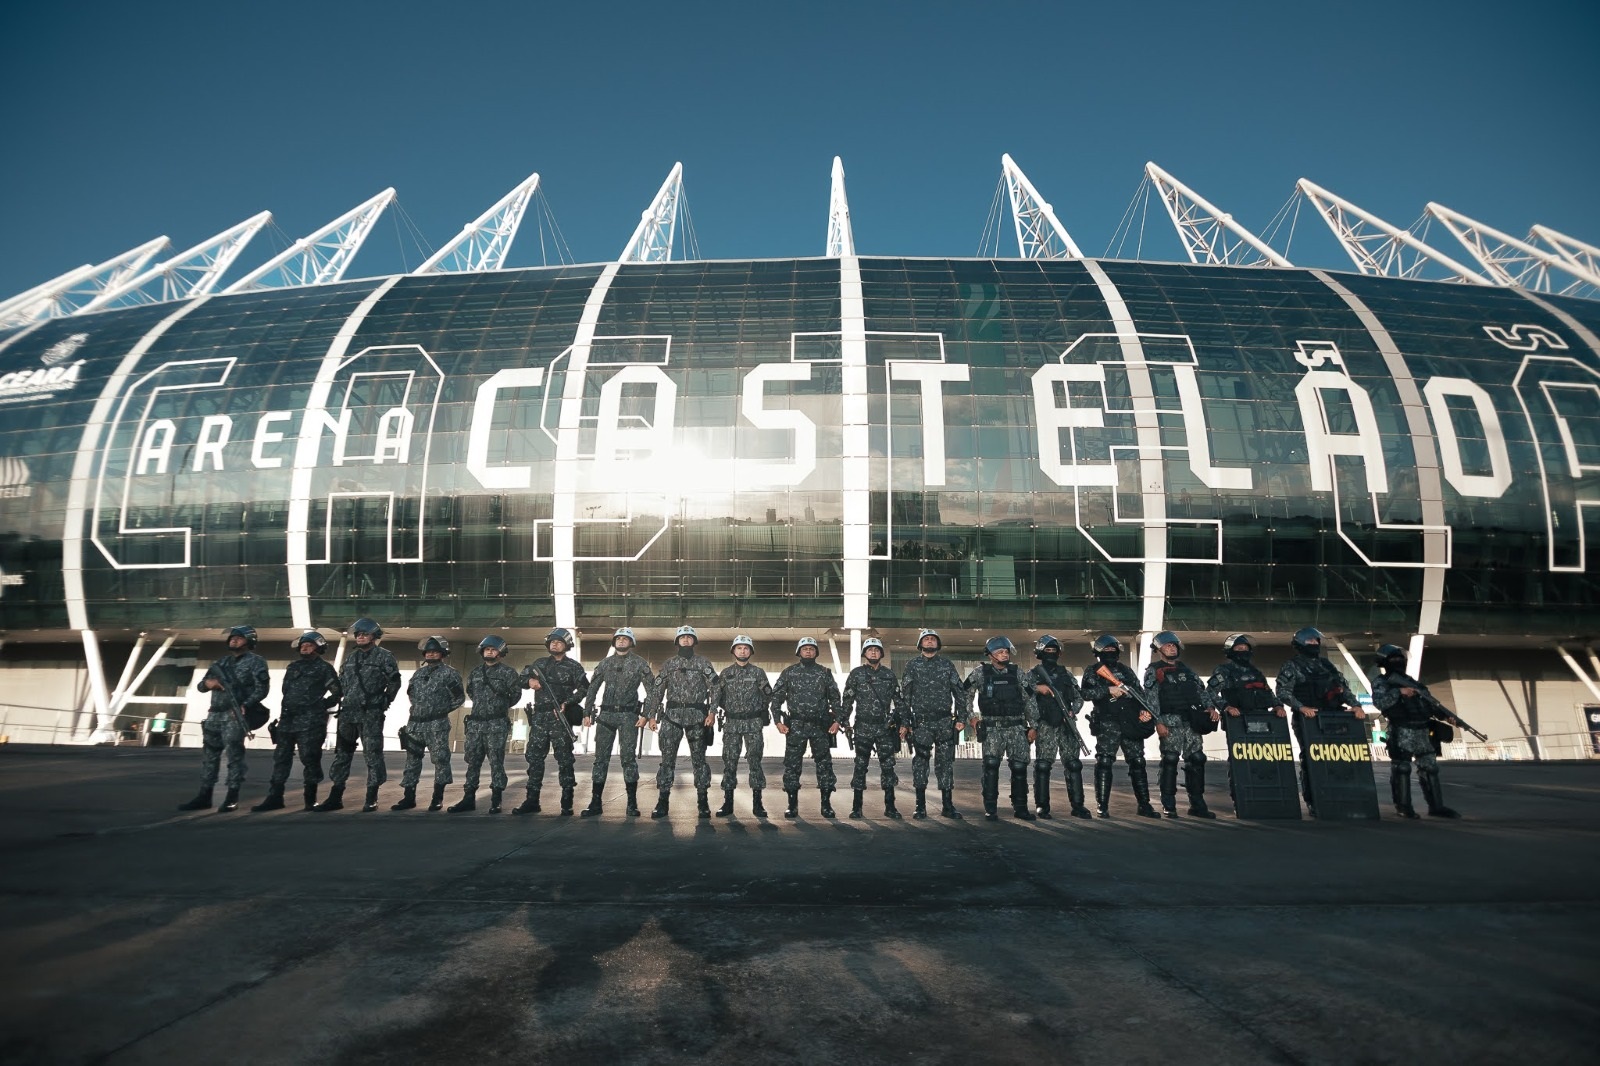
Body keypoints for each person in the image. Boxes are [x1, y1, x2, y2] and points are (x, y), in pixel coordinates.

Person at [178, 625, 270, 812]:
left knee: (235, 757)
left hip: (234, 715)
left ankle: (232, 796)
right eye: (232, 637)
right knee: (209, 757)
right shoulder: (220, 663)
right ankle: (204, 795)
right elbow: (201, 686)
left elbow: (262, 689)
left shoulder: (256, 662)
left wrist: (246, 704)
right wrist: (209, 683)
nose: (233, 640)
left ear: (249, 641)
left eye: (239, 637)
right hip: (214, 715)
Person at [1274, 626, 1365, 814]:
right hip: (1308, 720)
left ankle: (1340, 797)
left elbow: (1342, 688)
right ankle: (1313, 800)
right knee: (1311, 759)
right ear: (1300, 644)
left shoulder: (1327, 665)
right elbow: (1283, 692)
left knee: (1339, 758)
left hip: (1334, 717)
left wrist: (1356, 705)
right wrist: (1301, 707)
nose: (1314, 644)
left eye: (1316, 641)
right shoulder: (1292, 666)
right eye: (1310, 641)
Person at [317, 617, 401, 813]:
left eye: (365, 634)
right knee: (342, 755)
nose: (361, 637)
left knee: (372, 755)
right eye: (358, 635)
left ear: (374, 637)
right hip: (348, 714)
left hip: (370, 714)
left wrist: (385, 702)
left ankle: (371, 797)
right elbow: (342, 683)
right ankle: (335, 796)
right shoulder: (351, 657)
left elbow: (394, 682)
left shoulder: (385, 657)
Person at [253, 631, 341, 811]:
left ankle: (310, 800)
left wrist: (320, 705)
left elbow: (338, 693)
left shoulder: (324, 668)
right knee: (281, 758)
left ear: (318, 647)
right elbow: (287, 691)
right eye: (302, 645)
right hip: (287, 720)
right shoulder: (292, 667)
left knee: (310, 759)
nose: (304, 647)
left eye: (309, 645)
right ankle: (275, 797)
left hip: (311, 723)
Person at [1371, 644, 1461, 819]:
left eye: (1400, 658)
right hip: (1401, 730)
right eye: (1394, 659)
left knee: (1430, 768)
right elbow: (1380, 703)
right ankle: (1403, 807)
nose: (1398, 661)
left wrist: (1446, 716)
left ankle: (1436, 806)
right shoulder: (1382, 682)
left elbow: (1431, 703)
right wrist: (1399, 692)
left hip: (1422, 730)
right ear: (1384, 662)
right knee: (1402, 768)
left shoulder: (1413, 682)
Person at [645, 625, 722, 819]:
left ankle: (703, 803)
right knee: (667, 762)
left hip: (697, 718)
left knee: (700, 762)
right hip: (672, 717)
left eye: (689, 637)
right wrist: (651, 715)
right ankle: (662, 802)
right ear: (677, 641)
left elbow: (715, 688)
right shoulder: (669, 664)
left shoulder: (703, 663)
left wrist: (712, 712)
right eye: (682, 637)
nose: (686, 640)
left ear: (694, 641)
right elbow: (657, 691)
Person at [1080, 634, 1160, 818]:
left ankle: (1144, 805)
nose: (1110, 652)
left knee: (1138, 762)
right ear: (1099, 653)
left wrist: (1144, 710)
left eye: (1113, 649)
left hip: (1130, 719)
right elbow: (1084, 693)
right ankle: (1102, 805)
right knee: (1105, 761)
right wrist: (1108, 690)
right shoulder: (1093, 671)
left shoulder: (1126, 670)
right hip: (1108, 721)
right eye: (1106, 650)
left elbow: (1139, 692)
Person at [579, 627, 655, 817]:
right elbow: (592, 689)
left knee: (628, 760)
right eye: (618, 638)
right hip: (605, 717)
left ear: (632, 643)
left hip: (629, 717)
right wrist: (587, 712)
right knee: (600, 760)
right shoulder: (605, 663)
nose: (621, 641)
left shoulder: (640, 664)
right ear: (614, 642)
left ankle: (631, 804)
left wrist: (647, 715)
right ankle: (595, 802)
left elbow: (652, 691)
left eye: (625, 639)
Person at [514, 628, 589, 816]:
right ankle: (532, 800)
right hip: (539, 718)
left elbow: (584, 689)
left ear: (567, 645)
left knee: (564, 760)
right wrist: (530, 681)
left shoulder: (574, 667)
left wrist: (568, 702)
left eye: (559, 642)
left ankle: (567, 801)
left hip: (560, 718)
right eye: (552, 641)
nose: (555, 644)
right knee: (534, 759)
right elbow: (520, 679)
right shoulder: (538, 664)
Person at [1144, 631, 1219, 819]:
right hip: (1170, 723)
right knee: (1170, 760)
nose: (1171, 647)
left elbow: (1201, 692)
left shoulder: (1188, 670)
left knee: (1197, 759)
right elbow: (1151, 699)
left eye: (1174, 645)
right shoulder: (1154, 670)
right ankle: (1169, 803)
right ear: (1159, 650)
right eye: (1168, 645)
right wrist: (1158, 722)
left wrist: (1210, 707)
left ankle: (1197, 803)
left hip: (1191, 721)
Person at [964, 636, 1039, 821]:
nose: (1004, 655)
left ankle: (1020, 807)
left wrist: (1033, 726)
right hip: (992, 728)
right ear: (990, 655)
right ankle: (990, 808)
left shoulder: (1017, 673)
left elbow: (1030, 700)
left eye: (1006, 651)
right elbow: (964, 695)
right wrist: (971, 718)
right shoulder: (980, 673)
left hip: (1016, 727)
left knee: (1020, 768)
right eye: (1000, 652)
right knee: (991, 767)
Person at [1206, 633, 1287, 804]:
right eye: (1238, 648)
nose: (1243, 651)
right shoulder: (1224, 671)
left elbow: (1268, 692)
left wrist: (1278, 705)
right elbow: (1210, 693)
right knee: (1240, 760)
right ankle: (1241, 798)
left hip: (1262, 719)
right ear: (1231, 651)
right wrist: (1226, 707)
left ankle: (1266, 796)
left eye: (1245, 648)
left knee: (1265, 758)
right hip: (1238, 721)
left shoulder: (1256, 672)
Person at [771, 637, 842, 818]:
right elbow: (776, 698)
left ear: (816, 652)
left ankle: (826, 805)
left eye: (811, 648)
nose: (808, 651)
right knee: (792, 765)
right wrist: (778, 721)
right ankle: (792, 805)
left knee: (824, 765)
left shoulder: (825, 673)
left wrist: (837, 721)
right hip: (796, 725)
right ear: (799, 652)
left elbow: (835, 698)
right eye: (805, 649)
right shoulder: (789, 673)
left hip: (820, 726)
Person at [899, 629, 967, 819]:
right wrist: (905, 722)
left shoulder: (947, 665)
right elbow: (906, 697)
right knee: (920, 763)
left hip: (945, 721)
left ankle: (947, 805)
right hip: (921, 722)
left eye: (933, 639)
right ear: (920, 644)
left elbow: (958, 692)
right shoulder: (912, 665)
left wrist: (962, 718)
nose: (929, 642)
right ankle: (920, 806)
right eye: (926, 639)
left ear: (938, 644)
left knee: (945, 764)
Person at [451, 635, 524, 812]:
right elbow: (471, 693)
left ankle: (496, 799)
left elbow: (515, 695)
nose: (489, 651)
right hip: (476, 725)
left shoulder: (508, 673)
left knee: (496, 762)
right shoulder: (475, 673)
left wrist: (498, 707)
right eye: (486, 649)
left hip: (496, 724)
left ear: (501, 652)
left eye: (493, 649)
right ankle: (468, 798)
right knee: (472, 762)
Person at [393, 636, 463, 812]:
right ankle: (409, 797)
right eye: (429, 651)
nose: (431, 654)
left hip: (437, 724)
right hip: (416, 724)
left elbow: (459, 698)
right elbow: (411, 695)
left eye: (435, 651)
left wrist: (440, 710)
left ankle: (437, 798)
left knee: (440, 760)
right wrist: (419, 710)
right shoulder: (418, 673)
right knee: (412, 761)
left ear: (442, 654)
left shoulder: (450, 673)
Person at [1026, 634, 1090, 819]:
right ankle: (1042, 806)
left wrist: (1072, 712)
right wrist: (1035, 723)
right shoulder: (1033, 675)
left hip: (1066, 725)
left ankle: (1078, 805)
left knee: (1073, 764)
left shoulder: (1066, 674)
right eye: (1047, 651)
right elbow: (1026, 699)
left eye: (1054, 651)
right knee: (1043, 766)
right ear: (1040, 653)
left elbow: (1078, 697)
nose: (1051, 654)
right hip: (1046, 725)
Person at [841, 637, 903, 819]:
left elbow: (898, 701)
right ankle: (856, 807)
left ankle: (890, 806)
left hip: (884, 727)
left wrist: (905, 723)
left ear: (881, 653)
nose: (873, 652)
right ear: (864, 654)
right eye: (870, 650)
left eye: (876, 650)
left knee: (888, 766)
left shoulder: (889, 675)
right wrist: (844, 721)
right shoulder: (856, 674)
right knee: (860, 766)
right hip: (862, 726)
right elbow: (848, 700)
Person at [713, 635, 773, 818]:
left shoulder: (758, 673)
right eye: (739, 648)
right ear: (733, 651)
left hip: (753, 724)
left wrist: (759, 711)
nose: (743, 651)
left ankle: (758, 804)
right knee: (729, 762)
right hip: (732, 724)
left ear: (751, 652)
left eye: (746, 648)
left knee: (755, 761)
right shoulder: (725, 673)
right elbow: (717, 697)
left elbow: (768, 695)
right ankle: (728, 803)